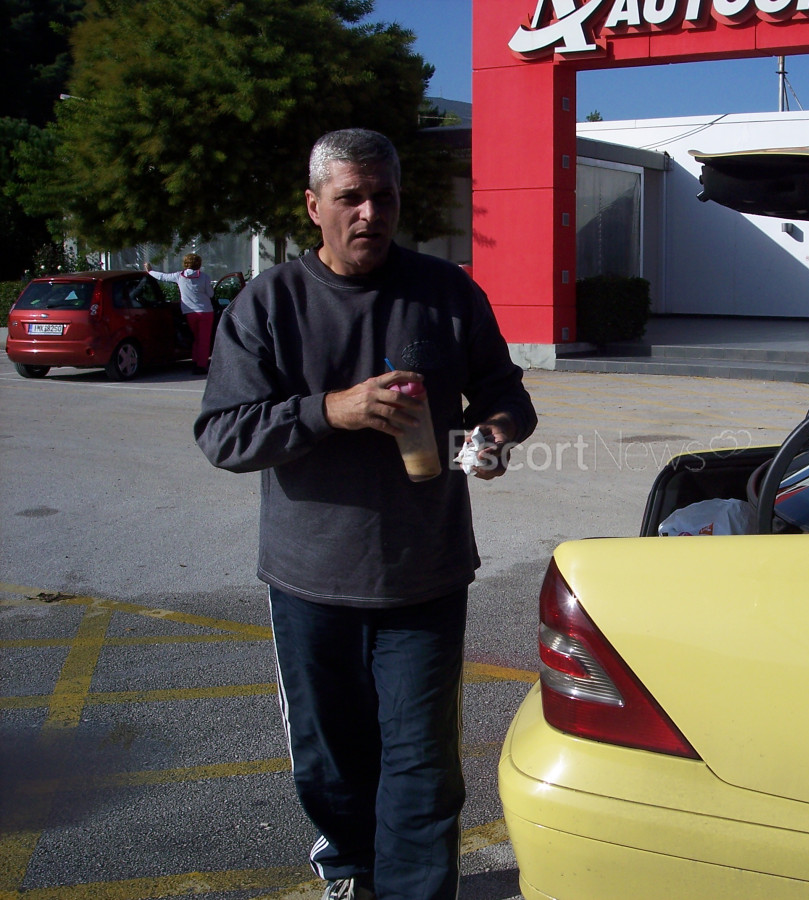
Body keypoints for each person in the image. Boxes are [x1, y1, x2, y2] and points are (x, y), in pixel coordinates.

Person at [193, 129, 536, 900]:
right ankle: (351, 868)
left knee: (422, 766)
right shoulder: (270, 303)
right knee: (330, 762)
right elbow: (223, 434)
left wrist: (492, 436)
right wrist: (330, 410)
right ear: (314, 206)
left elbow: (506, 393)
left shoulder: (446, 292)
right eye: (350, 197)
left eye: (384, 196)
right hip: (309, 583)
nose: (370, 213)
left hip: (425, 578)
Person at [147, 253, 215, 373]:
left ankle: (195, 360)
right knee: (204, 339)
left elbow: (163, 277)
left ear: (186, 264)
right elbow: (211, 294)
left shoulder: (179, 276)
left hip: (189, 312)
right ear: (199, 264)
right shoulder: (204, 277)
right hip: (205, 311)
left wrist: (150, 271)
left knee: (196, 338)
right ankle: (201, 364)